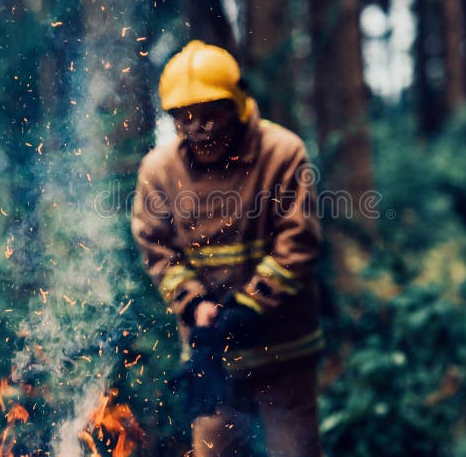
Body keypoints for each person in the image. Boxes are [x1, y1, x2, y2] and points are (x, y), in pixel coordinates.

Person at [131, 40, 323, 457]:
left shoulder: (282, 153)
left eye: (211, 113)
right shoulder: (159, 170)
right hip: (213, 355)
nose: (199, 127)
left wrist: (249, 306)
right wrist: (194, 303)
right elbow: (156, 247)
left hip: (284, 350)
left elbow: (299, 240)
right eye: (185, 117)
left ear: (237, 104)